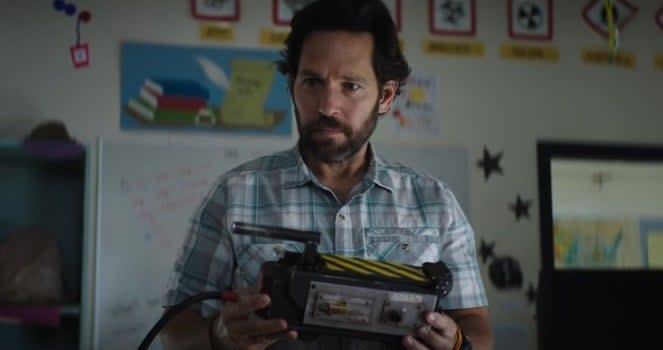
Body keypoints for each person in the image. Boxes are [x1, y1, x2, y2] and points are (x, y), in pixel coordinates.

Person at [160, 0, 493, 349]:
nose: (327, 106)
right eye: (312, 82)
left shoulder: (435, 203)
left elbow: (477, 325)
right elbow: (173, 331)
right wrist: (219, 335)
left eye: (350, 86)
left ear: (386, 94)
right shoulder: (233, 195)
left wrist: (458, 344)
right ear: (292, 85)